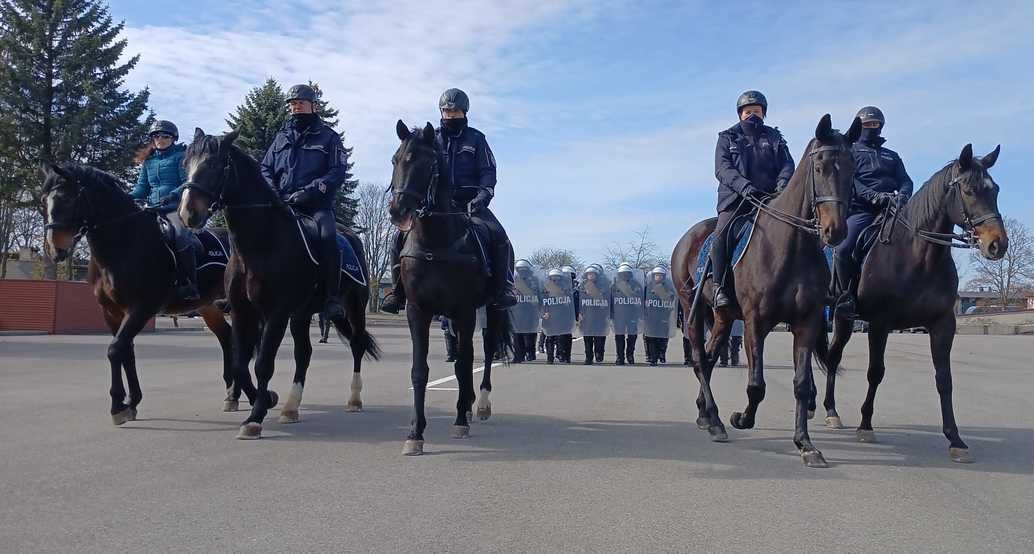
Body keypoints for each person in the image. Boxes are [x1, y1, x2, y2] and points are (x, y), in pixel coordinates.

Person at [381, 88, 517, 313]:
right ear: (441, 112)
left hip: (471, 204)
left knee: (499, 235)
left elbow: (488, 171)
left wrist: (483, 195)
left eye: (455, 112)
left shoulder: (477, 139)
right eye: (447, 111)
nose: (451, 115)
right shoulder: (431, 138)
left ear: (464, 112)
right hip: (435, 205)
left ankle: (504, 288)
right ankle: (397, 292)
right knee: (398, 237)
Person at [261, 84, 348, 320]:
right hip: (281, 204)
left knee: (328, 237)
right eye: (292, 103)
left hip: (315, 206)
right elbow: (265, 168)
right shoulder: (281, 137)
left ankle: (331, 298)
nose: (295, 106)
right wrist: (273, 193)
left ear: (313, 106)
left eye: (300, 102)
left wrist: (310, 191)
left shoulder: (329, 137)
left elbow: (337, 172)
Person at [711, 90, 795, 308]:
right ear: (740, 114)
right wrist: (744, 187)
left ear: (763, 113)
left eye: (756, 111)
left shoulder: (775, 137)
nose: (752, 115)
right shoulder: (727, 137)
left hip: (771, 199)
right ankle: (719, 286)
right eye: (748, 111)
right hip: (737, 199)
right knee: (720, 237)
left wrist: (782, 184)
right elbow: (722, 168)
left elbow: (787, 164)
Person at [834, 106, 913, 318]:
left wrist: (902, 196)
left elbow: (905, 180)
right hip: (862, 210)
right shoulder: (850, 151)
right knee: (843, 249)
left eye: (875, 124)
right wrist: (874, 196)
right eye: (866, 125)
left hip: (893, 210)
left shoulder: (892, 156)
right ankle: (846, 297)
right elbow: (851, 181)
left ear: (881, 127)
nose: (871, 128)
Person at [132, 119, 200, 301]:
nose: (160, 139)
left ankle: (190, 283)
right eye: (156, 136)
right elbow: (142, 188)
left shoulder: (180, 157)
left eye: (165, 136)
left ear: (173, 138)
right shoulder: (149, 161)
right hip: (151, 209)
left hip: (174, 209)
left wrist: (173, 195)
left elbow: (187, 182)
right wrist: (125, 197)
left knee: (180, 235)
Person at [611, 263, 643, 365]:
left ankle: (630, 355)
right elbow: (610, 301)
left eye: (626, 273)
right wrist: (611, 315)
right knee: (619, 336)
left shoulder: (636, 285)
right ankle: (620, 357)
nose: (624, 275)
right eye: (622, 274)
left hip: (632, 315)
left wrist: (640, 314)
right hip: (619, 315)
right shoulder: (614, 286)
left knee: (632, 336)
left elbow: (640, 300)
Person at [510, 259, 542, 362]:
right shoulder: (513, 280)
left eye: (524, 269)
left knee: (529, 335)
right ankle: (518, 355)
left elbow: (540, 296)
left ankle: (530, 353)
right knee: (517, 335)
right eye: (520, 269)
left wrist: (540, 308)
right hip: (517, 311)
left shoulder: (534, 280)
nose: (522, 272)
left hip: (530, 311)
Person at [578, 265, 611, 365]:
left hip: (600, 316)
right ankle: (588, 357)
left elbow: (607, 299)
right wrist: (579, 313)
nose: (590, 276)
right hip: (587, 316)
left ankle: (599, 353)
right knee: (587, 338)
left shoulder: (604, 286)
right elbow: (578, 301)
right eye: (589, 274)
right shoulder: (582, 286)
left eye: (592, 274)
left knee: (599, 337)